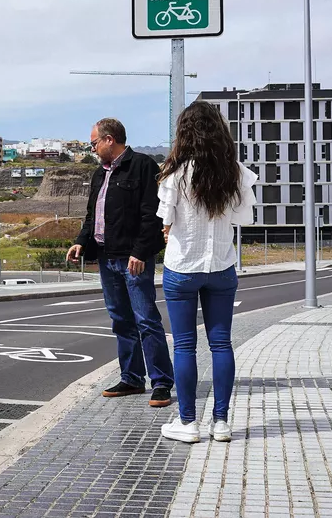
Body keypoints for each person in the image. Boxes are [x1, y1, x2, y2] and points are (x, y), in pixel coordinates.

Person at [155, 101, 257, 444]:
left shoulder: (175, 174)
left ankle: (187, 424)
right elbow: (244, 220)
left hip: (182, 267)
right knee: (221, 343)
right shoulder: (237, 173)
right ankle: (221, 423)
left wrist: (174, 228)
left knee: (184, 345)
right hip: (222, 268)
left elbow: (166, 221)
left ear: (184, 133)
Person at [67, 118, 174, 408]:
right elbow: (92, 215)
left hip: (132, 260)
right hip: (106, 257)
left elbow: (152, 215)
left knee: (146, 320)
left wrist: (139, 252)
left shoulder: (142, 166)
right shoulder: (98, 174)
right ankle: (131, 378)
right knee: (121, 322)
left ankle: (162, 382)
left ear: (109, 140)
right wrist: (80, 241)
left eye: (94, 144)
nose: (93, 149)